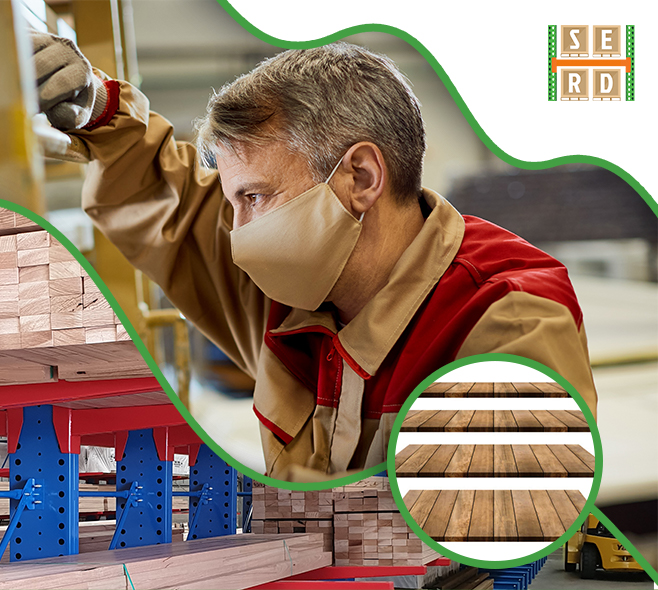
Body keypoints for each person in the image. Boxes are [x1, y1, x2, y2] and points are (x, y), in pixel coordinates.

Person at [31, 33, 598, 482]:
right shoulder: (290, 285)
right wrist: (98, 106)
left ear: (361, 177)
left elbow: (486, 535)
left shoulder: (506, 320)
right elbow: (159, 194)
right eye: (233, 202)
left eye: (255, 197)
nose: (237, 234)